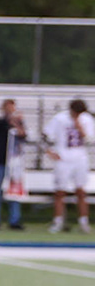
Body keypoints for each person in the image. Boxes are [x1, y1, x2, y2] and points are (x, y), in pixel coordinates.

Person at [45, 97, 93, 233]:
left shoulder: (87, 119)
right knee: (60, 191)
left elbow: (89, 138)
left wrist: (79, 126)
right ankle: (58, 221)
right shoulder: (60, 118)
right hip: (63, 158)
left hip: (80, 158)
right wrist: (49, 151)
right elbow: (46, 135)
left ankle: (83, 222)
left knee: (81, 191)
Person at [0, 99, 27, 232]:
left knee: (14, 191)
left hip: (14, 163)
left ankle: (14, 220)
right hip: (1, 160)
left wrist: (18, 123)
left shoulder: (19, 123)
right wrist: (12, 120)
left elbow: (23, 135)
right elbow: (1, 130)